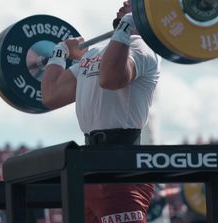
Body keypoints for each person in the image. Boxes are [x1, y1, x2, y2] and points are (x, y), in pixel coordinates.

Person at [41, 0, 161, 222]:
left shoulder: (144, 49)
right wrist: (60, 51)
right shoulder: (94, 52)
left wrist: (127, 25)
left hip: (121, 168)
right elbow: (51, 95)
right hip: (88, 168)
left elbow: (110, 79)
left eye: (134, 2)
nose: (125, 2)